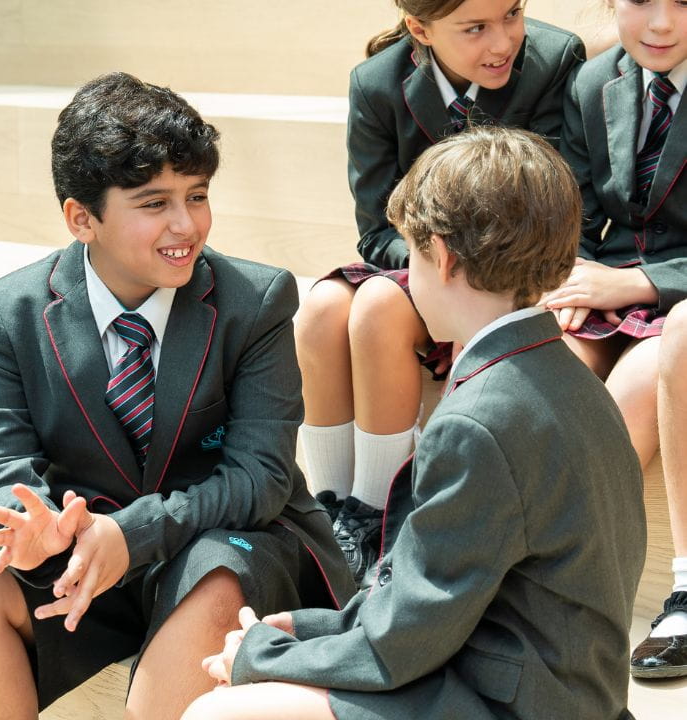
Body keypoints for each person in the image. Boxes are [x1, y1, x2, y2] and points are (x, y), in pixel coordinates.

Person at [0, 72, 355, 720]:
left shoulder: (254, 302)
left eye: (196, 195)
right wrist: (26, 527)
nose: (186, 224)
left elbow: (259, 478)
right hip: (79, 557)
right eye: (154, 203)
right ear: (81, 217)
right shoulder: (13, 309)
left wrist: (131, 533)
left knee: (214, 581)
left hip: (221, 541)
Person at [182, 126, 646, 720]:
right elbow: (435, 599)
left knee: (220, 713)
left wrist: (262, 654)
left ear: (443, 255)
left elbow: (403, 643)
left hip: (514, 704)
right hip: (557, 688)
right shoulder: (572, 380)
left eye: (411, 256)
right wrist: (307, 626)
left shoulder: (478, 421)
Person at [294, 0, 585, 584]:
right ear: (419, 29)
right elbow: (377, 231)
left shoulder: (554, 61)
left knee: (377, 306)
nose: (502, 42)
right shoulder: (377, 84)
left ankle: (381, 514)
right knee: (321, 308)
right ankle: (329, 519)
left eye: (512, 13)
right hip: (422, 259)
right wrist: (433, 263)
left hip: (513, 267)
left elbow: (558, 203)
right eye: (475, 29)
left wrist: (461, 269)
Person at [549, 0, 687, 679]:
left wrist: (639, 286)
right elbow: (572, 212)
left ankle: (599, 587)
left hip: (676, 296)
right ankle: (526, 574)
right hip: (614, 282)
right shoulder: (592, 81)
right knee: (546, 364)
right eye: (639, 0)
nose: (661, 25)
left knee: (635, 385)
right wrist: (567, 281)